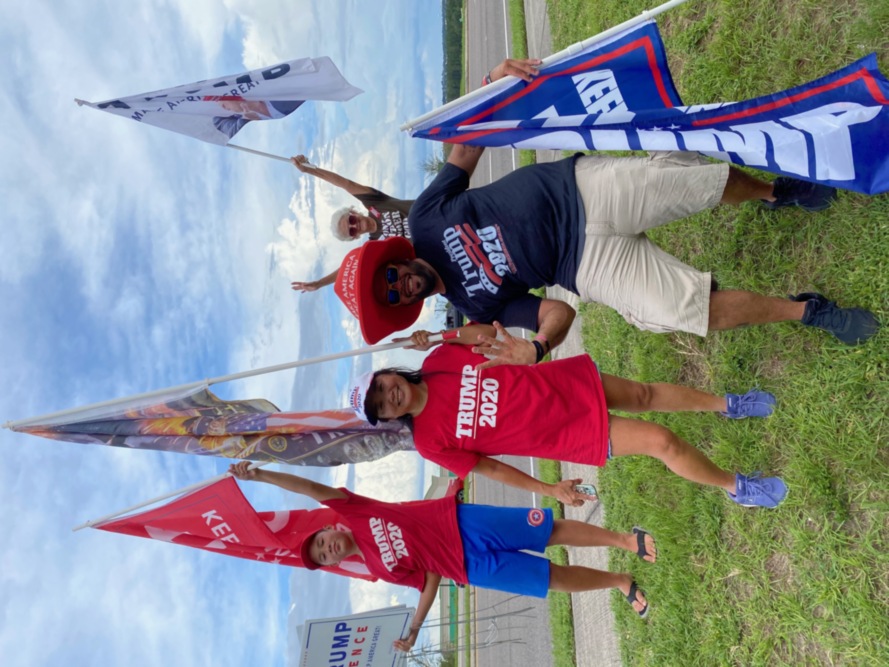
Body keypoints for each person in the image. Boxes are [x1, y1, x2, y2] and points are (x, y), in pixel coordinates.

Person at [334, 59, 880, 353]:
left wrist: (490, 86)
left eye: (391, 278)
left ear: (394, 262)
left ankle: (773, 192)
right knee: (682, 314)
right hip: (583, 267)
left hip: (580, 190)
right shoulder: (477, 308)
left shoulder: (428, 218)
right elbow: (557, 312)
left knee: (697, 177)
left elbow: (468, 144)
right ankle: (808, 310)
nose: (400, 286)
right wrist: (538, 348)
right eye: (393, 296)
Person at [228, 460, 658, 653]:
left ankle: (625, 540)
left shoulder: (354, 511)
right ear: (332, 564)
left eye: (320, 543)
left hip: (465, 522)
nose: (326, 550)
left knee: (550, 530)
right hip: (470, 567)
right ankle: (620, 582)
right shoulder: (379, 569)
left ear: (328, 529)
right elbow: (428, 580)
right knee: (551, 579)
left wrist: (261, 474)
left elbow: (309, 489)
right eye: (323, 558)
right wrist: (414, 629)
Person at [349, 322, 787, 510]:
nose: (389, 397)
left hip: (561, 384)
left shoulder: (442, 359)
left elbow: (486, 333)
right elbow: (491, 468)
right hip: (564, 431)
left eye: (381, 387)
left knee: (644, 393)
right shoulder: (429, 441)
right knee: (661, 441)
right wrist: (548, 489)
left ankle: (728, 405)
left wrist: (438, 336)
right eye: (381, 407)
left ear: (388, 372)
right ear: (387, 417)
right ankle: (737, 487)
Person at [289, 154, 413, 293]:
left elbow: (346, 184)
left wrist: (309, 170)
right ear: (355, 237)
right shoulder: (375, 245)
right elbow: (349, 267)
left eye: (351, 220)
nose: (355, 226)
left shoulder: (375, 203)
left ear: (354, 212)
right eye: (352, 231)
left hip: (434, 213)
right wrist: (319, 283)